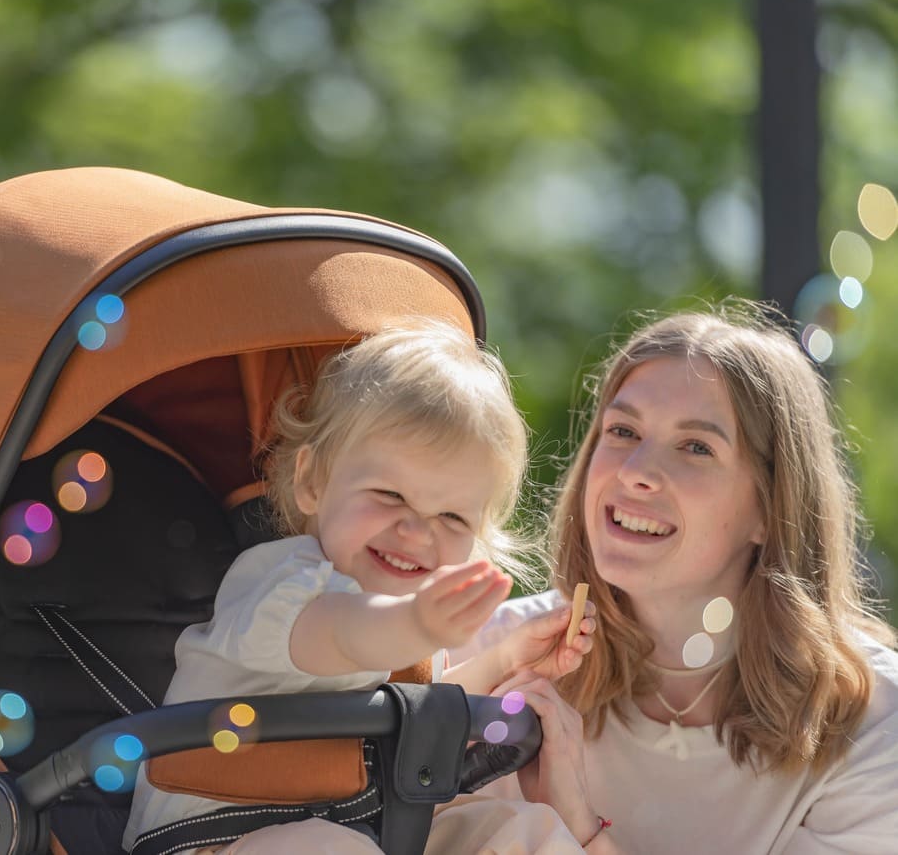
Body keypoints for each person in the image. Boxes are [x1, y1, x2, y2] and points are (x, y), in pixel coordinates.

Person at [122, 317, 597, 854]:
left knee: (517, 832)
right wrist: (416, 623)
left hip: (369, 830)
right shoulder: (280, 582)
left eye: (451, 517)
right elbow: (344, 634)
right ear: (312, 481)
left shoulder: (410, 627)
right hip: (217, 839)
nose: (417, 531)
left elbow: (417, 712)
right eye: (390, 495)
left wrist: (508, 658)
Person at [457, 300, 898, 853]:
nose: (636, 472)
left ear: (770, 509)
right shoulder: (492, 653)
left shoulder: (873, 722)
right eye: (621, 430)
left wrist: (575, 824)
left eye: (695, 447)